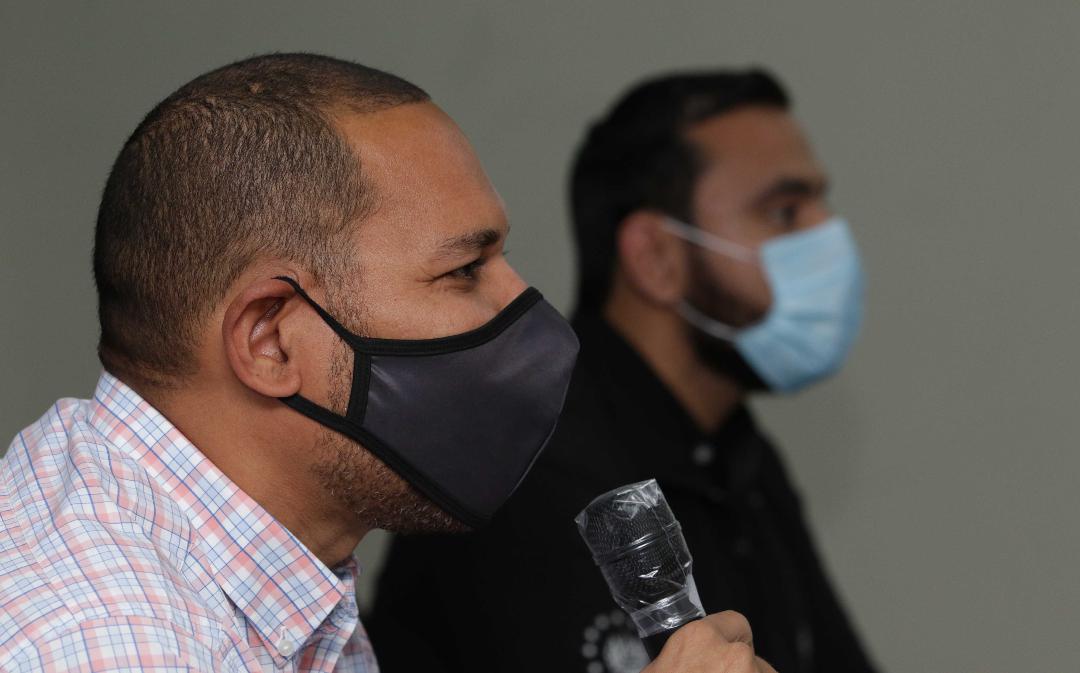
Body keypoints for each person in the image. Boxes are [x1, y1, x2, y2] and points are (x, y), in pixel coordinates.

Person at [0, 54, 776, 673]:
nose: (525, 309)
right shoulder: (112, 641)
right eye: (463, 271)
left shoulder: (253, 568)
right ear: (271, 339)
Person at [370, 71, 876, 673]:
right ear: (656, 257)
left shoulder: (740, 456)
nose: (828, 235)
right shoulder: (518, 464)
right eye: (785, 211)